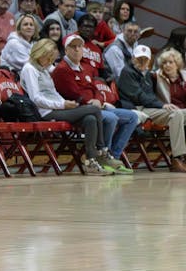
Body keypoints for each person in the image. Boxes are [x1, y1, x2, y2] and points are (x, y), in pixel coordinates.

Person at [19, 38, 114, 176]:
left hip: (58, 108)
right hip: (46, 112)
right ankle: (101, 150)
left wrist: (66, 103)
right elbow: (36, 99)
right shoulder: (29, 69)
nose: (51, 61)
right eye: (49, 58)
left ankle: (90, 162)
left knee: (90, 119)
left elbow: (53, 91)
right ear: (41, 54)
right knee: (93, 109)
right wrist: (62, 104)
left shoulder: (44, 68)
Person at [51, 34, 138, 174]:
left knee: (132, 117)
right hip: (79, 110)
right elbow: (73, 93)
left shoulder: (85, 68)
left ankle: (113, 156)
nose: (77, 50)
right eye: (73, 47)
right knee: (111, 118)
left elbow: (95, 87)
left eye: (80, 46)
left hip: (97, 106)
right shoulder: (62, 69)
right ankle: (102, 155)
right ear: (65, 50)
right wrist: (92, 103)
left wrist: (99, 100)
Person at [118, 45, 186, 173]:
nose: (142, 62)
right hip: (138, 109)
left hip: (152, 108)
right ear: (133, 58)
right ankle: (176, 158)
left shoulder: (148, 75)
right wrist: (162, 105)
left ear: (150, 60)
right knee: (175, 114)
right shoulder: (128, 72)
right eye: (139, 59)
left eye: (145, 59)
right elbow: (139, 96)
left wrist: (160, 105)